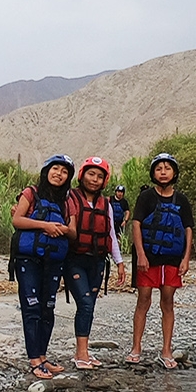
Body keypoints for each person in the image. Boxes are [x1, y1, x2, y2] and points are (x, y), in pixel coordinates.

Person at [11, 154, 76, 378]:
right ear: (46, 171)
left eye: (64, 171)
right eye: (55, 169)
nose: (59, 174)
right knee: (31, 307)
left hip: (53, 261)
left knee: (47, 308)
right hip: (28, 259)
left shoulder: (67, 202)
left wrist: (62, 229)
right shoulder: (31, 193)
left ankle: (43, 356)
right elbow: (17, 220)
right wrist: (45, 226)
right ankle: (34, 359)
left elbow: (73, 231)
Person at [128, 152, 193, 369]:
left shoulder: (182, 199)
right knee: (143, 300)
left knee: (167, 301)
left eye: (167, 168)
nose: (163, 172)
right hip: (149, 258)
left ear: (174, 172)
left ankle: (166, 350)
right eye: (159, 168)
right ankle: (136, 348)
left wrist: (186, 259)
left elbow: (188, 229)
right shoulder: (146, 197)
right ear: (153, 173)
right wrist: (141, 255)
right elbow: (136, 224)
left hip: (172, 259)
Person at [62, 156, 127, 370]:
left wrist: (119, 262)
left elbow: (109, 233)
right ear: (82, 175)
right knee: (86, 303)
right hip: (75, 259)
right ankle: (81, 354)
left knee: (89, 306)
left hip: (98, 261)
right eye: (91, 174)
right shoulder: (69, 197)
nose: (95, 179)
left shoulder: (105, 204)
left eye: (99, 176)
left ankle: (84, 351)